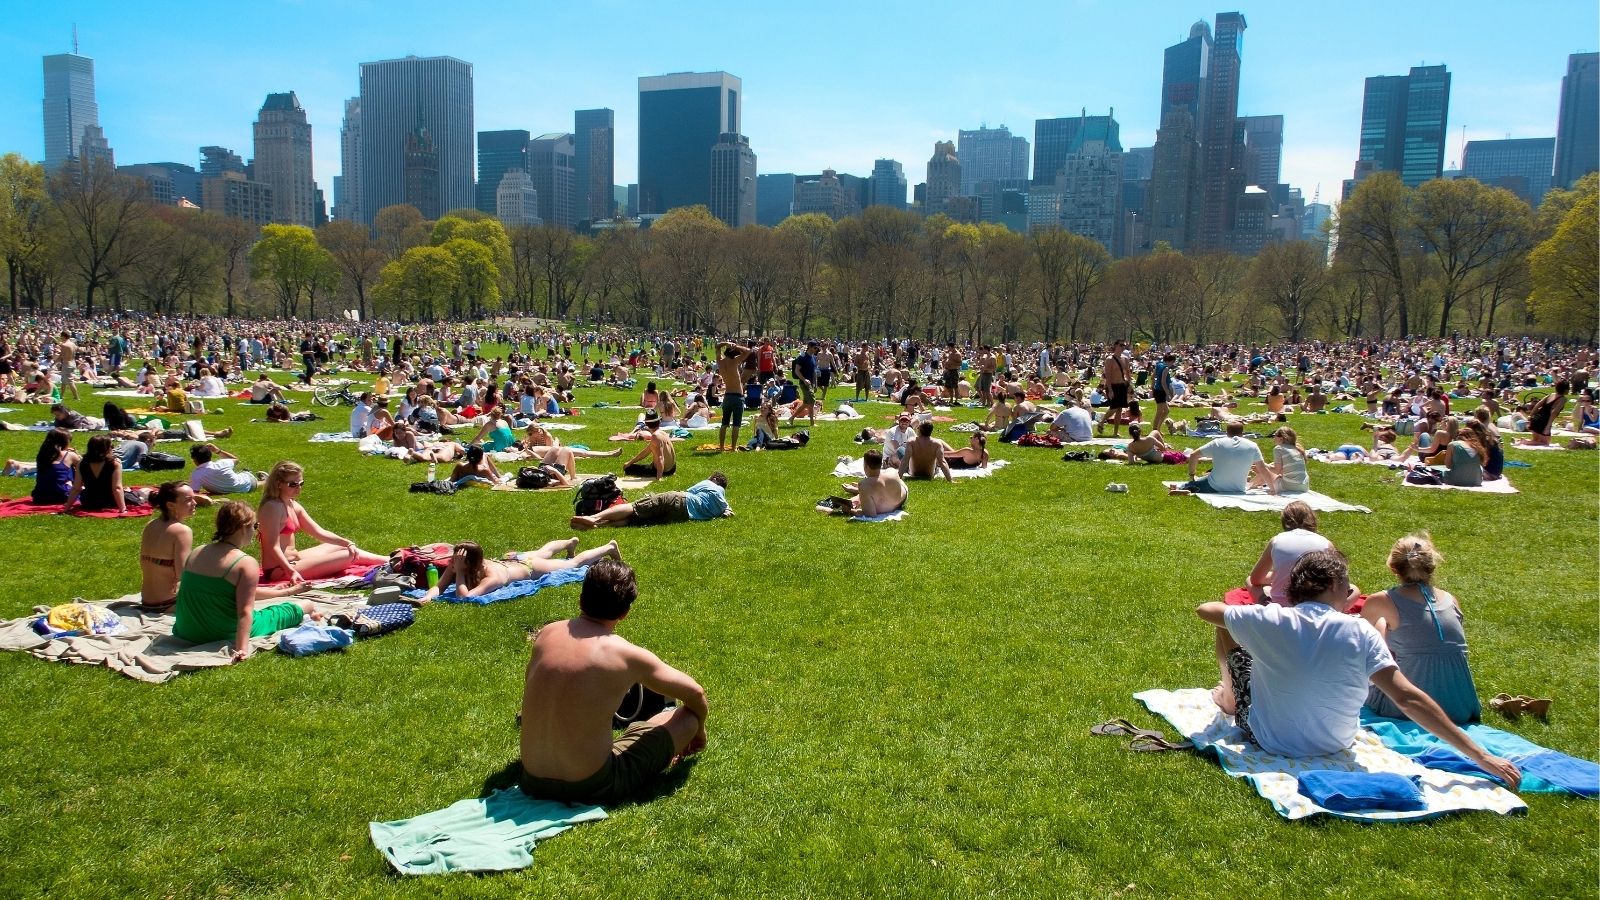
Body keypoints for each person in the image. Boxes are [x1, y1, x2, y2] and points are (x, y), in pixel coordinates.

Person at [1195, 550, 1519, 788]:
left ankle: (1230, 700)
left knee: (1228, 628)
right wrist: (1481, 756)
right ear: (1336, 586)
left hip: (1269, 740)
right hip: (1335, 742)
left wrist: (1259, 616)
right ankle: (1232, 698)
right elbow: (1408, 698)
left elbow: (1205, 609)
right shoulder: (1362, 631)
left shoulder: (1272, 619)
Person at [517, 558, 708, 805]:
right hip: (593, 785)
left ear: (581, 599)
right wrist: (699, 732)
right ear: (625, 612)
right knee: (685, 717)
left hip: (532, 780)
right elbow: (695, 694)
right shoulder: (624, 654)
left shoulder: (547, 633)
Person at [1361, 534, 1481, 724]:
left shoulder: (1381, 601)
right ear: (1432, 566)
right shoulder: (1451, 600)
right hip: (1461, 707)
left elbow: (1359, 647)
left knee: (1378, 628)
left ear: (1393, 567)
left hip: (1406, 710)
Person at [171, 501, 315, 660]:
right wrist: (242, 649)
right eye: (254, 526)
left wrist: (285, 591)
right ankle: (308, 610)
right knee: (305, 605)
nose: (255, 531)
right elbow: (245, 611)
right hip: (223, 632)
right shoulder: (245, 563)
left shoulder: (198, 552)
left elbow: (225, 591)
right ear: (241, 528)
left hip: (187, 631)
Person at [257, 461, 386, 584]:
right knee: (348, 555)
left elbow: (319, 532)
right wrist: (290, 571)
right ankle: (388, 561)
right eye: (293, 484)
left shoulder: (292, 504)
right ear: (279, 484)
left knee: (343, 547)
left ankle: (386, 560)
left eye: (301, 483)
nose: (298, 488)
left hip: (295, 560)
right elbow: (273, 547)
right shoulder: (272, 508)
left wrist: (348, 542)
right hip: (279, 570)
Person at [419, 539, 623, 602]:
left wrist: (461, 573)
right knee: (544, 550)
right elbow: (440, 586)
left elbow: (466, 597)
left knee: (573, 565)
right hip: (510, 559)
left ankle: (609, 547)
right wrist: (426, 598)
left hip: (527, 567)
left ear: (470, 564)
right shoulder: (461, 564)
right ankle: (569, 543)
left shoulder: (492, 576)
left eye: (458, 560)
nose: (453, 564)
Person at [1244, 501, 1334, 605]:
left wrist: (1278, 575)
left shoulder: (1276, 541)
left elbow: (1255, 579)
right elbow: (1335, 582)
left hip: (1280, 605)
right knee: (1354, 590)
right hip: (1314, 605)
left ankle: (1267, 603)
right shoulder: (1325, 543)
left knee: (1250, 581)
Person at [570, 472, 732, 530]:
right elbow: (727, 511)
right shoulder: (723, 504)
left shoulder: (710, 484)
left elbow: (688, 492)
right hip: (681, 517)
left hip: (679, 500)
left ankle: (594, 518)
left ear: (714, 479)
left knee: (634, 507)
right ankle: (600, 526)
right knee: (637, 520)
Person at [140, 482, 198, 611]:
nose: (195, 503)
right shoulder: (182, 531)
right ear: (171, 505)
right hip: (168, 603)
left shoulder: (151, 525)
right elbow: (183, 575)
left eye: (194, 498)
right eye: (188, 500)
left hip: (147, 601)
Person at [1170, 421, 1272, 495]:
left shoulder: (1218, 443)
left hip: (1214, 486)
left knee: (1190, 484)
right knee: (1203, 479)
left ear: (1226, 432)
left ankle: (1185, 488)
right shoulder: (1252, 446)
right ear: (1242, 433)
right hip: (1238, 488)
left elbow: (1193, 455)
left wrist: (1192, 475)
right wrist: (1273, 489)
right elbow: (1263, 469)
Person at [63, 435, 150, 513]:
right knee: (141, 493)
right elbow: (116, 488)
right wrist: (123, 509)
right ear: (107, 448)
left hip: (89, 502)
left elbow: (76, 488)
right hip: (110, 501)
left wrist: (67, 508)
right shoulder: (114, 463)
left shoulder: (82, 463)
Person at [716, 342, 755, 451]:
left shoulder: (720, 362)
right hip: (737, 396)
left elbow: (717, 346)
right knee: (736, 424)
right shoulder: (735, 361)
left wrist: (725, 343)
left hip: (727, 396)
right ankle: (733, 448)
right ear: (734, 354)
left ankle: (722, 448)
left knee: (724, 423)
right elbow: (748, 351)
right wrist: (736, 346)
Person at [845, 448, 907, 516]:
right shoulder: (892, 471)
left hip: (888, 505)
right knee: (873, 489)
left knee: (867, 490)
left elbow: (870, 514)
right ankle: (856, 493)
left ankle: (854, 496)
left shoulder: (864, 484)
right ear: (881, 464)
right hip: (901, 499)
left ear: (866, 466)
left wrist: (850, 510)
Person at [1253, 427, 1310, 495]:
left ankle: (1250, 485)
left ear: (1281, 438)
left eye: (1274, 436)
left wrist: (1262, 464)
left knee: (1264, 469)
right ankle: (1253, 484)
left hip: (1290, 486)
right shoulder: (1297, 448)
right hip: (1304, 486)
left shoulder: (1279, 448)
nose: (1273, 438)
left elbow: (1276, 471)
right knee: (1271, 465)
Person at [622, 410, 677, 479]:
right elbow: (646, 451)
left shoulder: (655, 436)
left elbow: (660, 457)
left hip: (664, 471)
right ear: (659, 422)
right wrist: (630, 462)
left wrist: (659, 477)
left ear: (646, 424)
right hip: (672, 468)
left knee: (629, 469)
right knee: (631, 465)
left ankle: (659, 473)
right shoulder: (662, 433)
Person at [189, 443, 261, 495]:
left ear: (194, 459)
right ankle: (259, 477)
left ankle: (266, 479)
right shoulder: (222, 463)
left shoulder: (196, 474)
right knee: (251, 481)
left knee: (260, 482)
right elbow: (235, 459)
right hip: (245, 484)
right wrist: (218, 451)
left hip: (245, 483)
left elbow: (194, 493)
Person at [30, 428, 77, 505]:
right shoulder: (69, 455)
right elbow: (86, 467)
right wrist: (76, 454)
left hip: (40, 497)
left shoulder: (42, 455)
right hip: (62, 496)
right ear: (64, 442)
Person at [1099, 340, 1131, 437]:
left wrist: (1129, 385)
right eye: (1121, 345)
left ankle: (1115, 432)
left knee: (1119, 410)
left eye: (1124, 346)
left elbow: (1128, 373)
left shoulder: (1125, 359)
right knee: (1114, 407)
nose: (1123, 347)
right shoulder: (1110, 359)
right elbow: (1108, 376)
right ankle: (1102, 421)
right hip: (1112, 385)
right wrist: (1110, 390)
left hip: (1122, 385)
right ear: (1116, 345)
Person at [1523, 381, 1569, 446]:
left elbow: (1537, 405)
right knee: (1545, 443)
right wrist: (1548, 426)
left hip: (1536, 418)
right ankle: (1524, 442)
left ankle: (1524, 441)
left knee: (1536, 440)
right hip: (1544, 420)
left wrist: (1530, 416)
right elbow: (1554, 412)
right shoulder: (1563, 399)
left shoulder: (1550, 395)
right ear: (1566, 389)